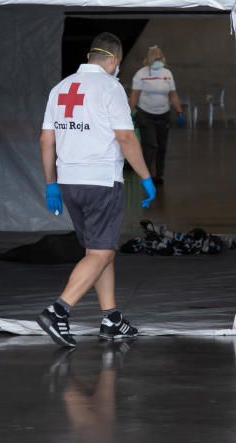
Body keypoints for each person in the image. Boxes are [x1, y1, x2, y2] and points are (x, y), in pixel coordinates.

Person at [37, 32, 156, 347]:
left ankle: (111, 318)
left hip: (69, 182)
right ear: (114, 61)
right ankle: (58, 311)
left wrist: (51, 184)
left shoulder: (60, 88)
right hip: (101, 181)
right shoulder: (110, 88)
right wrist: (145, 177)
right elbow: (126, 138)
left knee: (99, 251)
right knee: (101, 251)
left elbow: (46, 140)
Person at [129, 45, 185, 185]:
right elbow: (134, 96)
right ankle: (147, 174)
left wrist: (179, 111)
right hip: (145, 114)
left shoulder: (167, 73)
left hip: (163, 115)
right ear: (148, 59)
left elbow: (173, 95)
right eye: (155, 58)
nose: (158, 60)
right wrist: (129, 113)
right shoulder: (141, 74)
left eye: (159, 57)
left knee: (162, 146)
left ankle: (159, 175)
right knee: (151, 145)